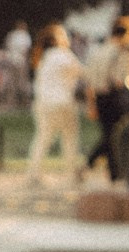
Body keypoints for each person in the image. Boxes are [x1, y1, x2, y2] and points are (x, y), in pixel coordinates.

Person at [26, 23, 85, 190]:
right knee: (70, 138)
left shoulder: (43, 58)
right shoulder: (63, 55)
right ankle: (71, 174)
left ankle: (34, 173)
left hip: (43, 102)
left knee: (43, 138)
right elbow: (81, 73)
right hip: (63, 101)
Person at [85, 15, 129, 183]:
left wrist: (91, 104)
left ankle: (109, 171)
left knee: (108, 134)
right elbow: (119, 80)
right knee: (115, 135)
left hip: (99, 96)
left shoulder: (97, 51)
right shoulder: (121, 53)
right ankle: (106, 169)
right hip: (114, 96)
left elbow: (90, 82)